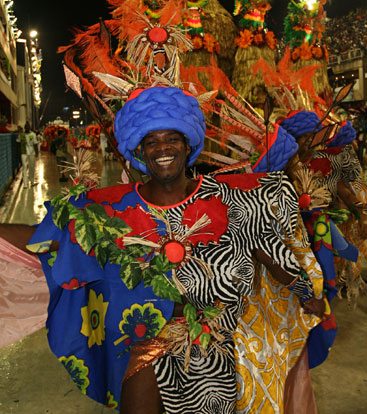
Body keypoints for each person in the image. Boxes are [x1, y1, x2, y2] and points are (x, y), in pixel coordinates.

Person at [0, 86, 324, 414]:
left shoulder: (229, 201)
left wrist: (304, 291)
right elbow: (51, 237)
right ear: (141, 151)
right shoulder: (115, 209)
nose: (163, 148)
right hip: (147, 349)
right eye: (152, 141)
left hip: (216, 351)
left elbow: (272, 256)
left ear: (188, 145)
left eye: (172, 138)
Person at [16, 121, 39, 188]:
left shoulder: (33, 134)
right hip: (24, 153)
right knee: (24, 167)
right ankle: (25, 183)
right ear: (25, 128)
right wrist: (18, 153)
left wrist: (37, 152)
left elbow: (35, 144)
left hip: (32, 153)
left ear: (29, 127)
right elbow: (17, 143)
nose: (27, 128)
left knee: (32, 167)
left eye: (28, 127)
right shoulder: (21, 135)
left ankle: (32, 181)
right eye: (26, 127)